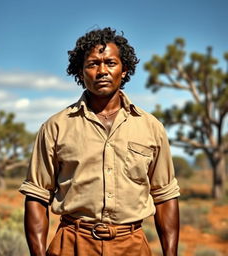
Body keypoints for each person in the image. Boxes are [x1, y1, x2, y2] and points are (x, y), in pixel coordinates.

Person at [19, 27, 180, 256]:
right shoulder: (55, 127)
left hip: (132, 246)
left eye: (110, 63)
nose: (102, 71)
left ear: (124, 70)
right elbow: (37, 195)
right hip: (72, 244)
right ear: (80, 72)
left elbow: (165, 196)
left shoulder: (151, 127)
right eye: (93, 64)